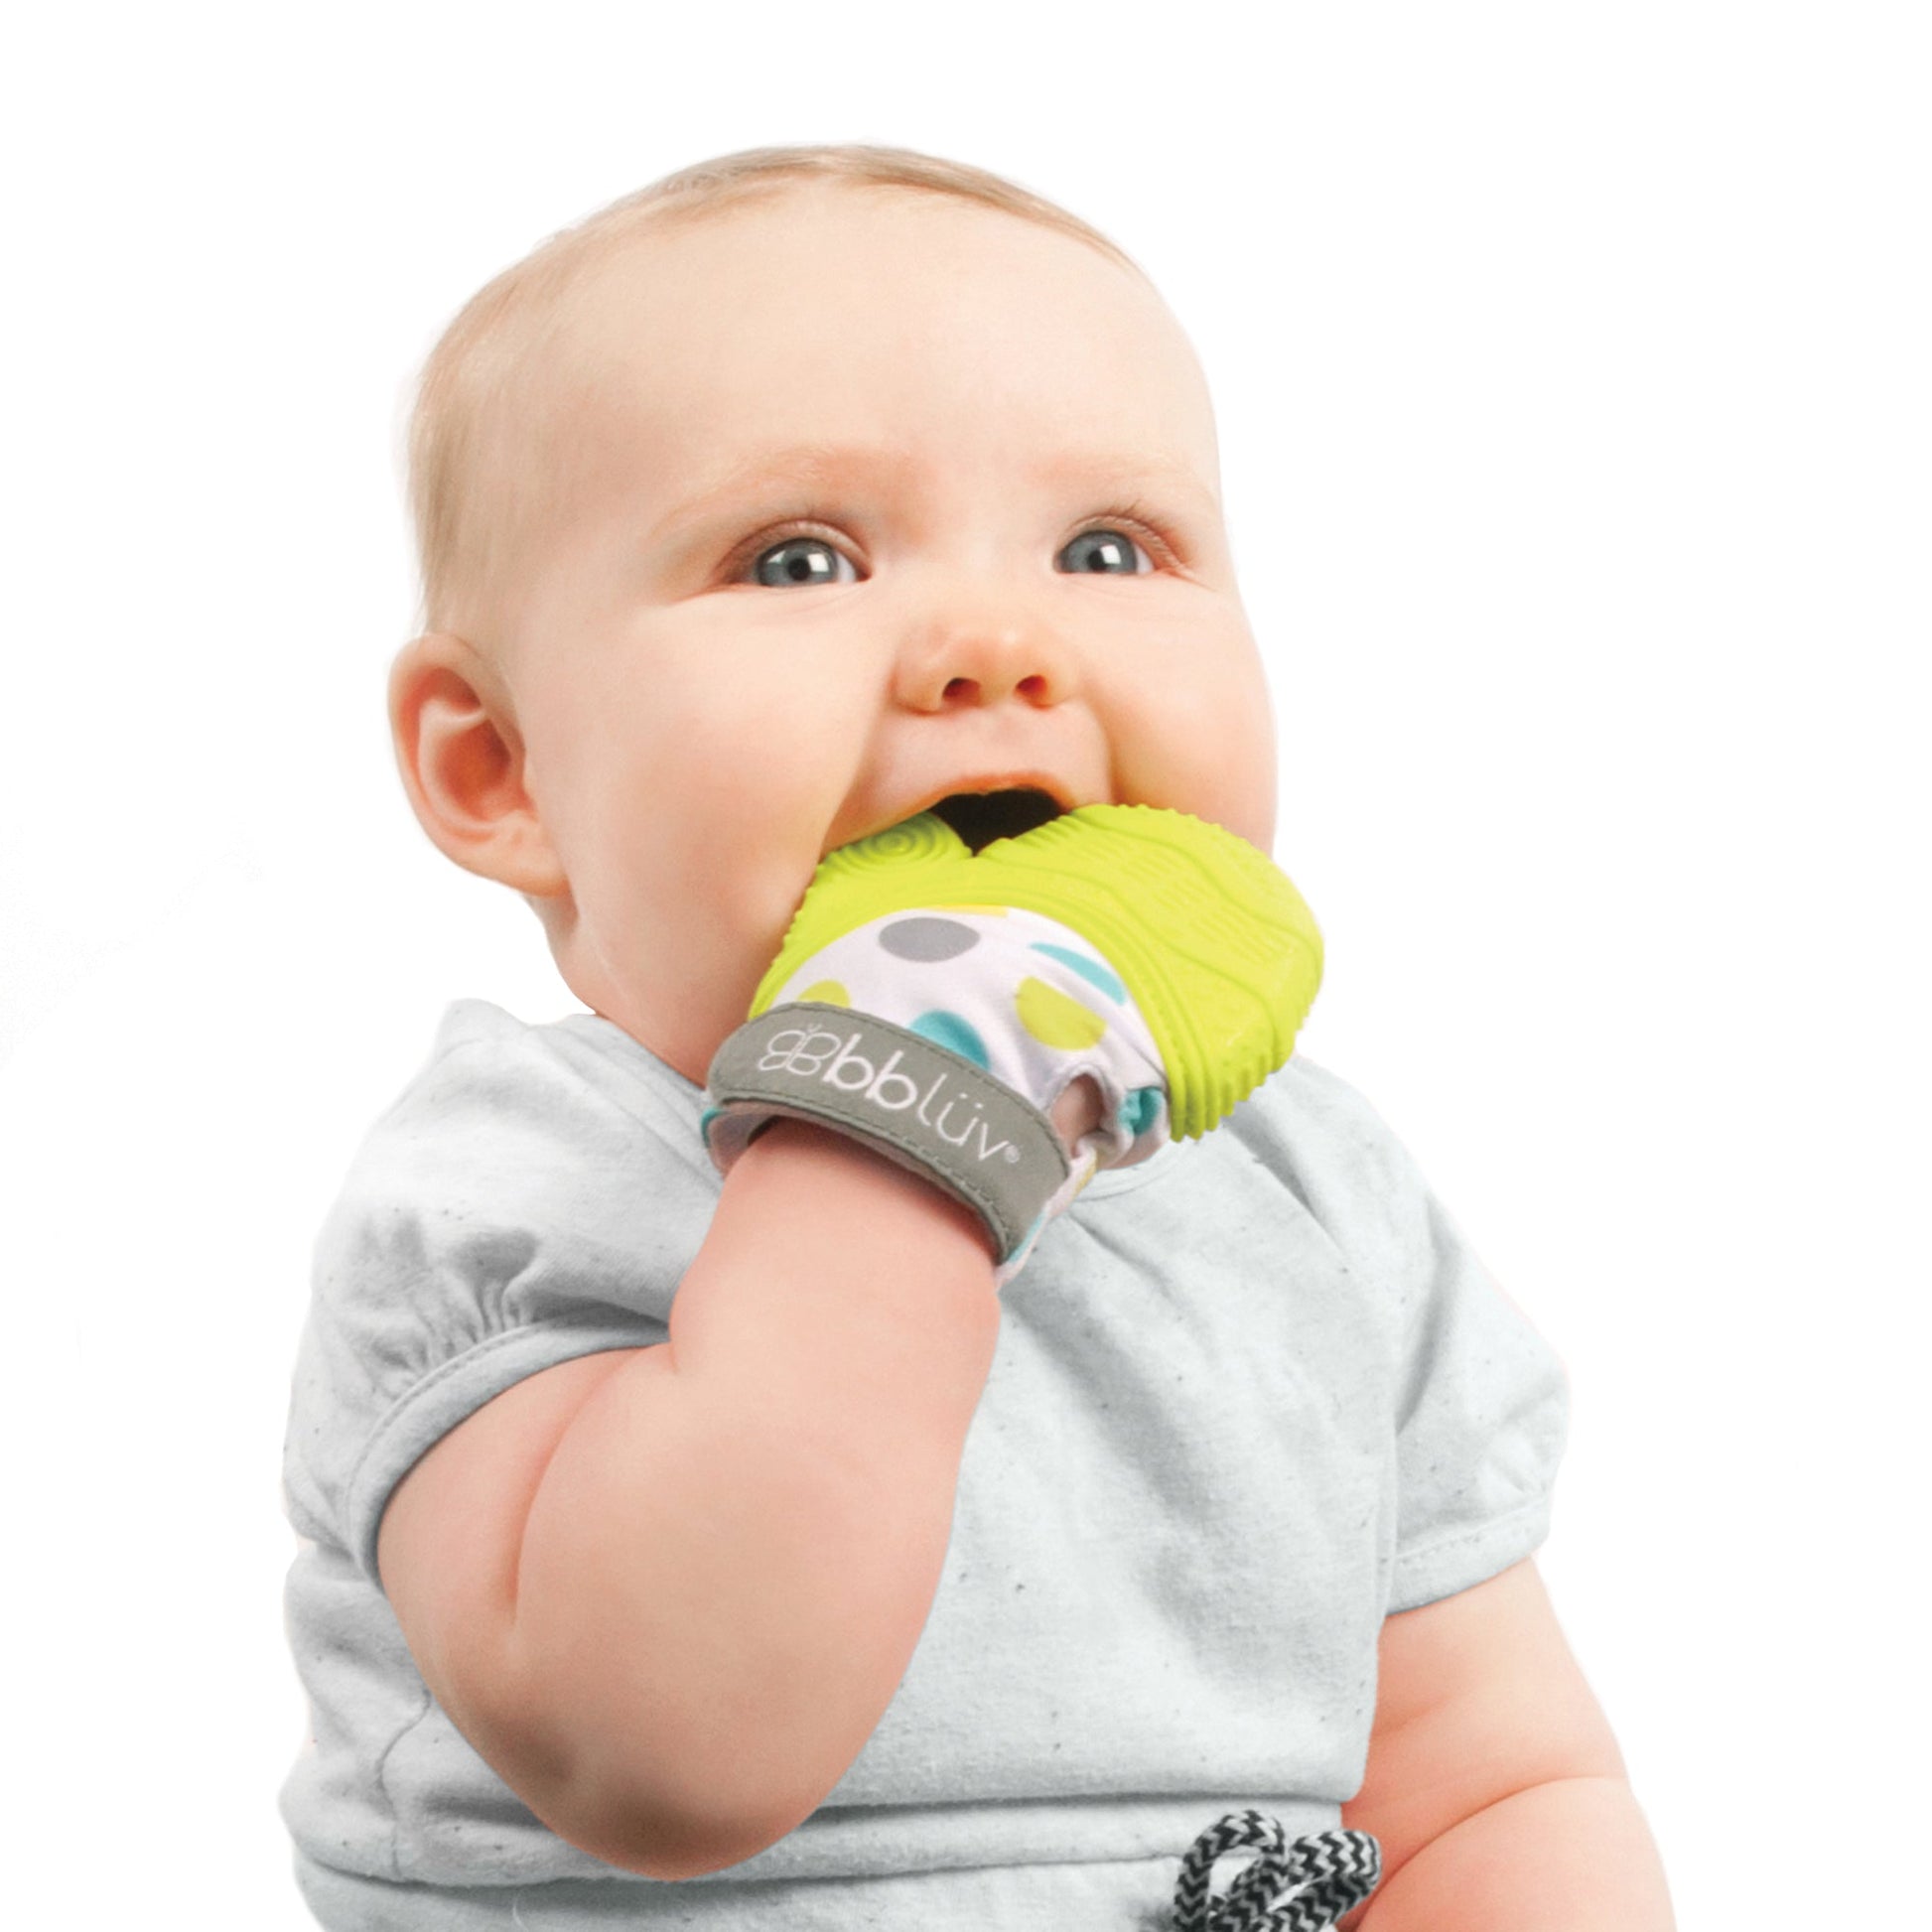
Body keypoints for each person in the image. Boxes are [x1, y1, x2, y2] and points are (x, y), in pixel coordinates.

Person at [279, 144, 1675, 1930]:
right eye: (798, 557)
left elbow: (1488, 1780)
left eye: (1108, 547)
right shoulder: (511, 1192)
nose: (996, 645)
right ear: (503, 767)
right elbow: (672, 1748)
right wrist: (909, 1104)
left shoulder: (1317, 1196)